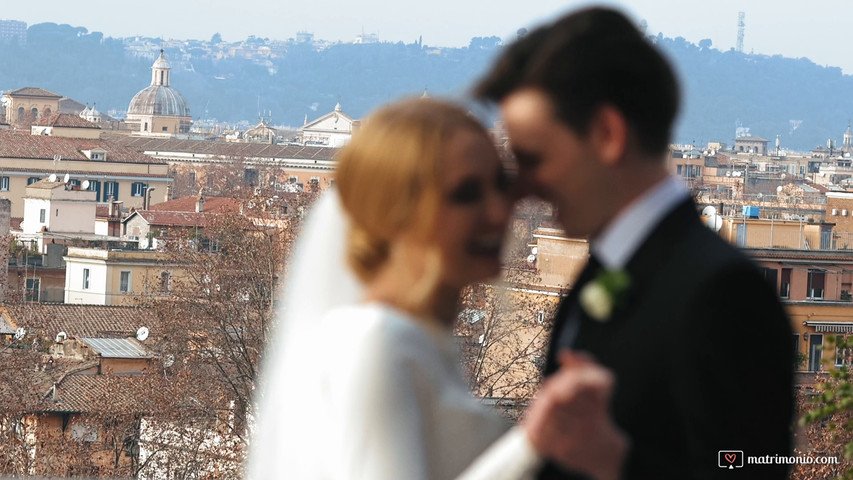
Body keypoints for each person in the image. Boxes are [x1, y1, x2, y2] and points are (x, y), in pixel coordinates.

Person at [475, 7, 794, 480]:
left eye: (532, 158)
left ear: (607, 135)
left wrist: (614, 460)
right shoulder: (603, 270)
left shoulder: (724, 295)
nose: (520, 187)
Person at [247, 98, 627, 480]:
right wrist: (531, 444)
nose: (499, 211)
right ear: (397, 211)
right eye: (466, 193)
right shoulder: (376, 341)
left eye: (501, 185)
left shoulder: (415, 342)